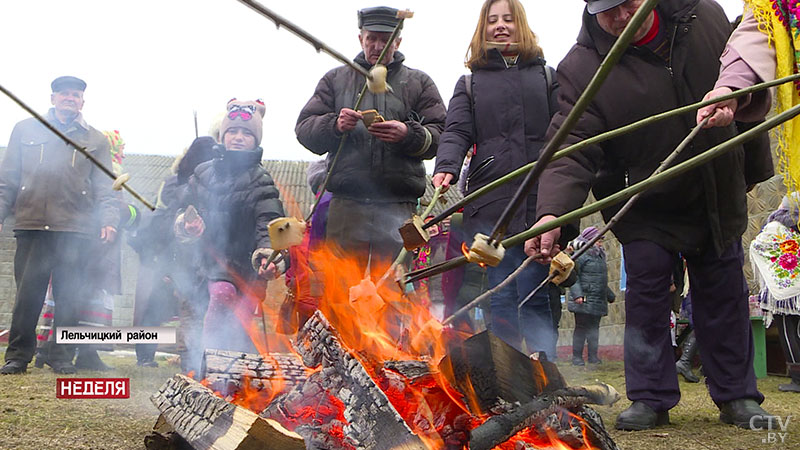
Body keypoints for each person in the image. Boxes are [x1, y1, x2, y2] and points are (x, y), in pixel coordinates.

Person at [524, 0, 774, 430]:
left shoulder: (704, 15)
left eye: (629, 4)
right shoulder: (582, 67)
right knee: (647, 297)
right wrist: (551, 215)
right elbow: (571, 147)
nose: (622, 17)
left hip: (717, 184)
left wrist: (748, 143)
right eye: (609, 10)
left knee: (723, 292)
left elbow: (746, 70)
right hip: (644, 200)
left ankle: (738, 396)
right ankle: (651, 397)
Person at [432, 0, 559, 358]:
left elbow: (563, 130)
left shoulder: (547, 77)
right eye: (492, 20)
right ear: (482, 28)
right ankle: (507, 377)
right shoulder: (471, 84)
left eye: (507, 19)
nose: (500, 26)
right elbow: (456, 131)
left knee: (534, 292)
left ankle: (545, 375)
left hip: (539, 199)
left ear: (521, 25)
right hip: (492, 201)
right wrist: (447, 165)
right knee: (501, 296)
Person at [295, 6, 446, 275]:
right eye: (371, 38)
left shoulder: (419, 83)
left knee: (390, 292)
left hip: (399, 208)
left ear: (398, 41)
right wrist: (334, 125)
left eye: (384, 39)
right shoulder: (335, 80)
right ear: (360, 39)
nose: (377, 46)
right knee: (340, 292)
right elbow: (304, 129)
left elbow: (443, 135)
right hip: (346, 206)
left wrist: (408, 135)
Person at [0, 76, 118, 375]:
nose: (70, 98)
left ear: (82, 102)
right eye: (64, 94)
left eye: (76, 95)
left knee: (70, 296)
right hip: (32, 224)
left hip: (76, 230)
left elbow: (105, 187)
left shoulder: (96, 139)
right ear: (52, 98)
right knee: (27, 296)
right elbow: (8, 179)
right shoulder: (25, 129)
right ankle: (17, 356)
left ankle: (61, 356)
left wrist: (108, 220)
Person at [174, 99, 285, 354]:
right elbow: (183, 211)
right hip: (208, 264)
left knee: (240, 324)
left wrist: (270, 257)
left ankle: (233, 382)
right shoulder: (202, 173)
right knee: (222, 293)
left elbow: (270, 225)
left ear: (256, 140)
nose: (238, 137)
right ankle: (207, 366)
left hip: (248, 267)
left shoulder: (262, 181)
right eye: (232, 131)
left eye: (246, 133)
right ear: (222, 136)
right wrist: (188, 224)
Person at [750, 193, 800, 393]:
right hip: (797, 291)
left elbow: (758, 246)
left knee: (787, 332)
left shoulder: (775, 228)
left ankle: (796, 378)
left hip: (783, 293)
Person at [567, 227, 614, 366]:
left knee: (594, 329)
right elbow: (572, 276)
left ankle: (593, 357)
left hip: (597, 298)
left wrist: (609, 295)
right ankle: (577, 357)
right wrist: (577, 294)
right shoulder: (580, 255)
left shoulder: (599, 256)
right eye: (598, 240)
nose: (600, 243)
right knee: (581, 328)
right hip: (584, 298)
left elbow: (599, 278)